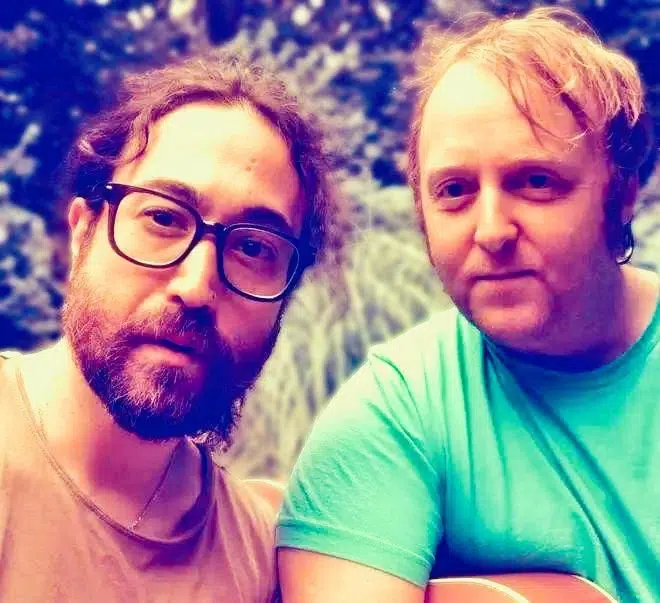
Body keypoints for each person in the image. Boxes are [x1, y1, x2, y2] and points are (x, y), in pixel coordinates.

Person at [277, 7, 659, 603]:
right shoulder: (394, 416)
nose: (491, 231)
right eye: (454, 190)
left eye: (536, 182)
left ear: (622, 195)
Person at [0, 51, 339, 601]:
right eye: (162, 217)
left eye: (254, 248)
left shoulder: (260, 562)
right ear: (83, 232)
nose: (198, 286)